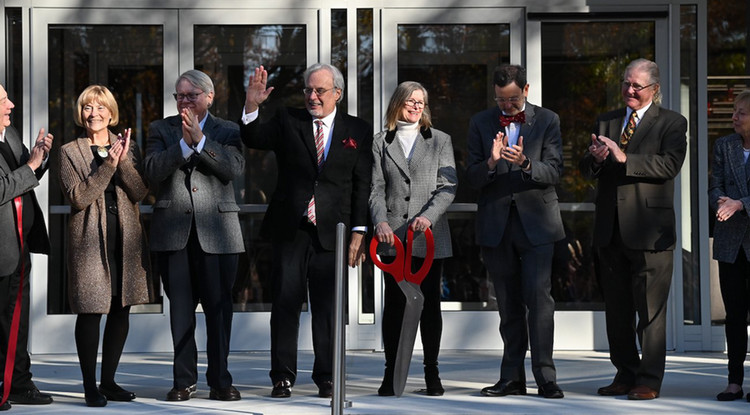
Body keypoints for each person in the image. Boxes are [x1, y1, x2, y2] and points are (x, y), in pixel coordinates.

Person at [240, 63, 373, 399]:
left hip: (333, 232)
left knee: (327, 308)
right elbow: (253, 137)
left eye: (320, 91)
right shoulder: (289, 120)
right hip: (292, 229)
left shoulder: (357, 129)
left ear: (337, 94)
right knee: (285, 303)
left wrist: (358, 231)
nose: (312, 97)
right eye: (308, 90)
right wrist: (252, 106)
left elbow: (362, 184)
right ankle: (282, 376)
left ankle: (327, 376)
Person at [580, 58, 687, 400]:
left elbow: (670, 165)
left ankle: (648, 380)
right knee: (618, 311)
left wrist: (625, 159)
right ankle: (624, 373)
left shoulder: (671, 122)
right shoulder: (607, 120)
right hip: (611, 231)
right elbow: (586, 168)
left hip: (649, 233)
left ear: (654, 90)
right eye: (626, 83)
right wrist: (596, 159)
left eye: (636, 86)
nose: (629, 90)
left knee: (650, 314)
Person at [144, 70, 245, 402]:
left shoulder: (228, 130)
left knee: (219, 311)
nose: (184, 101)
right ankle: (183, 380)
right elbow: (152, 171)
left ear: (209, 97)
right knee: (181, 312)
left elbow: (232, 169)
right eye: (180, 96)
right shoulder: (161, 129)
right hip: (174, 234)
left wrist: (201, 141)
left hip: (218, 234)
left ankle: (220, 381)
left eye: (192, 95)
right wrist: (183, 147)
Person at [466, 64, 565, 399]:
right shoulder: (480, 122)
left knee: (539, 303)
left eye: (510, 99)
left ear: (526, 89)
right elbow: (472, 178)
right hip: (496, 225)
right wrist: (491, 163)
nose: (505, 106)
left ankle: (546, 378)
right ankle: (511, 377)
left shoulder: (548, 120)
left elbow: (553, 172)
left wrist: (525, 163)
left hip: (537, 224)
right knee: (507, 305)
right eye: (499, 100)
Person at [58, 85, 153, 407]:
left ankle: (109, 381)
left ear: (111, 114)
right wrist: (108, 166)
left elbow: (140, 192)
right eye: (87, 108)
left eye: (100, 108)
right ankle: (89, 385)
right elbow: (78, 197)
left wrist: (123, 160)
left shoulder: (129, 147)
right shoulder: (70, 151)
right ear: (80, 114)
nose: (93, 113)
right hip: (88, 240)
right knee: (90, 310)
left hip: (125, 240)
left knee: (120, 308)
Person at [369, 81, 457, 397]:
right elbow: (375, 189)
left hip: (428, 236)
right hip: (392, 237)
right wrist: (379, 221)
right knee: (394, 305)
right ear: (398, 103)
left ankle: (431, 374)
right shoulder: (381, 142)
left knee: (429, 304)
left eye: (421, 101)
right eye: (410, 100)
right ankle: (391, 373)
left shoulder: (440, 141)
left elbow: (447, 186)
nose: (416, 106)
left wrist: (428, 217)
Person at [0, 84, 54, 411]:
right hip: (2, 250)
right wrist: (31, 166)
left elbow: (26, 172)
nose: (12, 104)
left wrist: (40, 158)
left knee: (16, 321)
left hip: (20, 244)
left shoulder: (9, 134)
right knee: (2, 320)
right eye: (4, 100)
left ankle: (18, 382)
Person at [709, 89, 750, 403]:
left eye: (741, 113)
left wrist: (741, 203)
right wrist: (722, 201)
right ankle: (734, 381)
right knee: (734, 314)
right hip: (730, 241)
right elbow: (715, 185)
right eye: (735, 111)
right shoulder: (724, 145)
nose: (734, 117)